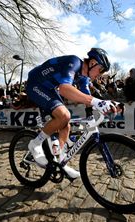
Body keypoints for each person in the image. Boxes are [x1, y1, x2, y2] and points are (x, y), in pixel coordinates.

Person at [25, 48, 117, 179]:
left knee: (65, 125)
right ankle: (35, 144)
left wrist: (106, 104)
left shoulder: (84, 77)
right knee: (64, 115)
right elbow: (64, 89)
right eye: (101, 70)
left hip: (49, 88)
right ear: (92, 63)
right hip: (36, 84)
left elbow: (87, 96)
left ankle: (59, 162)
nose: (101, 74)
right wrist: (97, 102)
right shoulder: (74, 62)